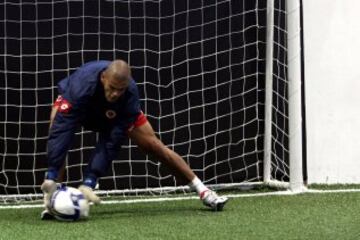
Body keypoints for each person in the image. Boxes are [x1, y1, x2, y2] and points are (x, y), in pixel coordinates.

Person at [41, 60, 228, 219]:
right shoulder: (82, 84)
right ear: (103, 78)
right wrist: (51, 172)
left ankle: (203, 190)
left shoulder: (129, 94)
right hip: (81, 105)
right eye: (112, 88)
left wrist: (91, 179)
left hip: (116, 113)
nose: (115, 93)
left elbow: (112, 140)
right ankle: (52, 198)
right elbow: (62, 130)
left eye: (119, 90)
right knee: (57, 130)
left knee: (154, 146)